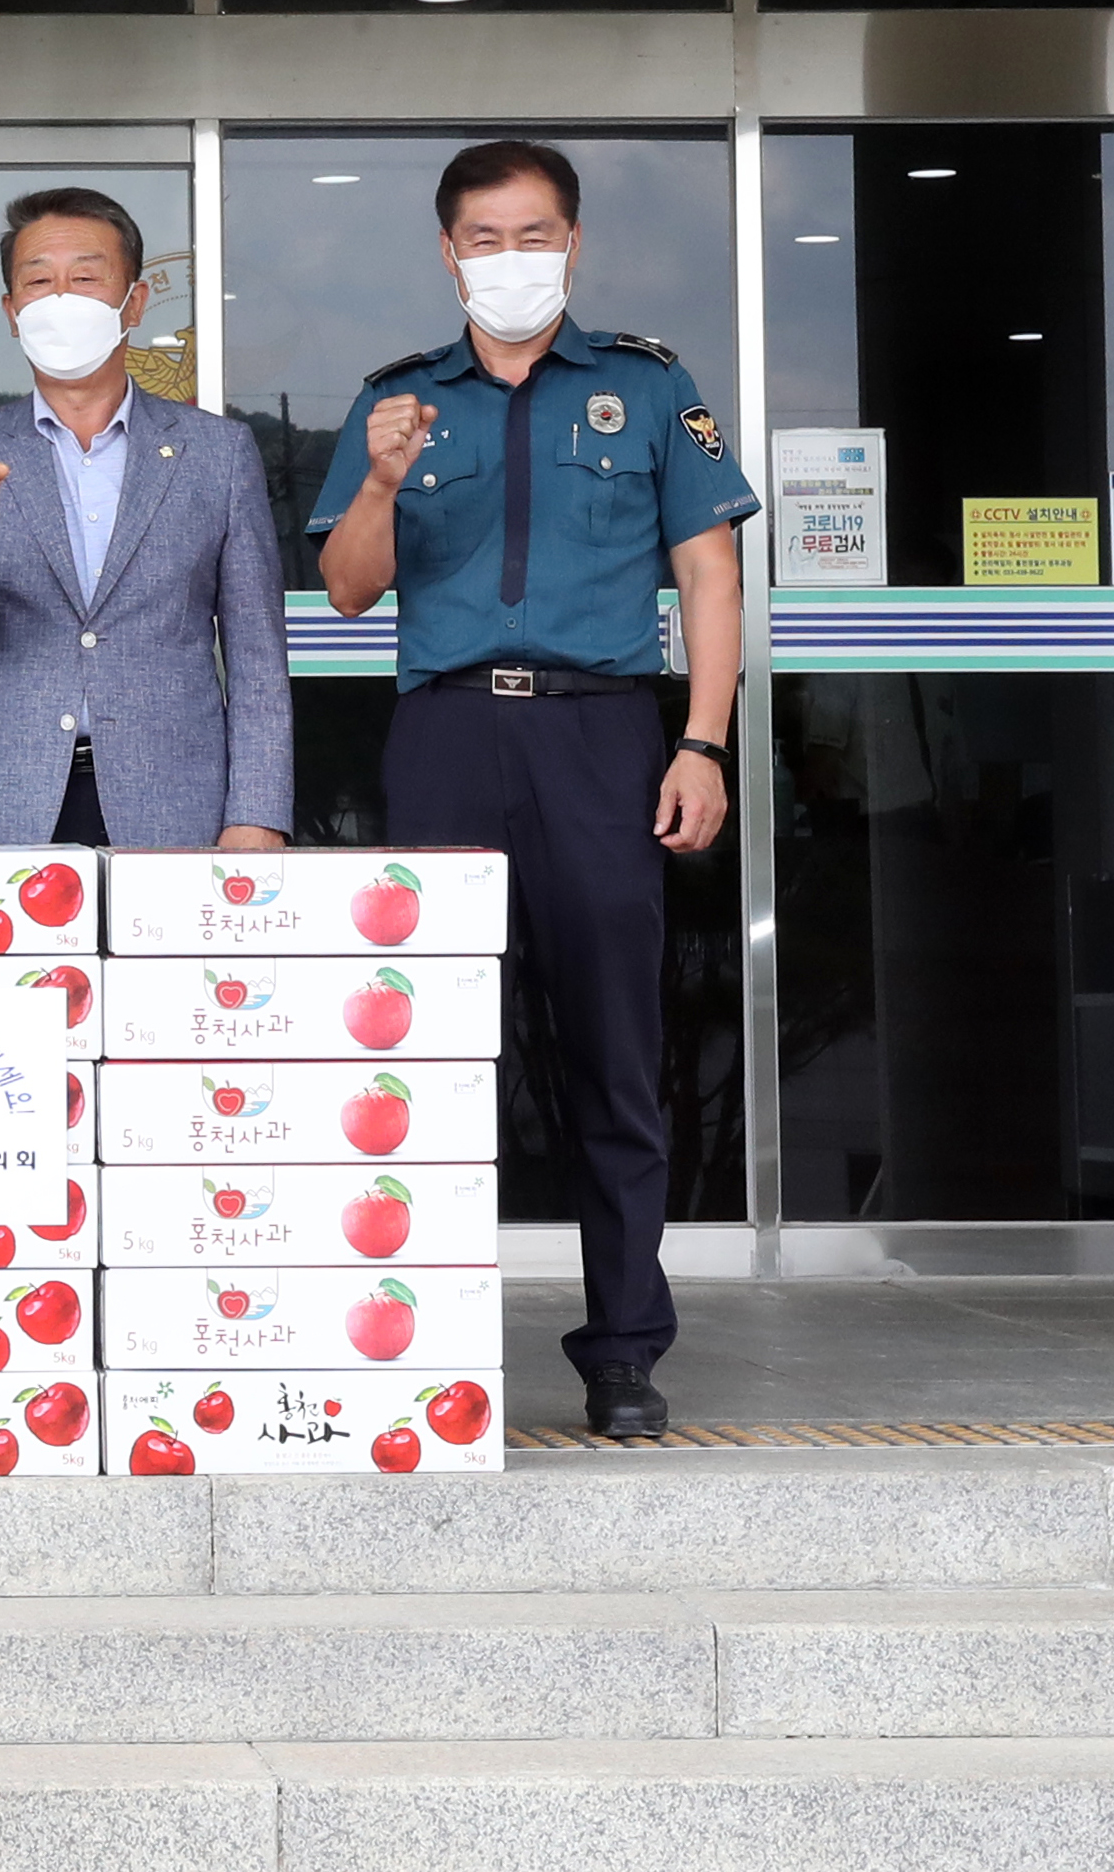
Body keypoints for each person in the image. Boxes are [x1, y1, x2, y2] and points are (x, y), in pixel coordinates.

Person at [311, 138, 757, 1441]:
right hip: (445, 737)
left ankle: (621, 1352)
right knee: (434, 1056)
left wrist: (703, 742)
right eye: (485, 239)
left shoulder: (647, 385)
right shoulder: (395, 399)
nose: (512, 259)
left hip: (601, 737)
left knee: (614, 1052)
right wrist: (384, 477)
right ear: (448, 254)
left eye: (535, 235)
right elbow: (347, 586)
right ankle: (425, 1344)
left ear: (573, 241)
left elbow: (709, 573)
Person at [0, 186, 292, 849]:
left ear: (133, 302)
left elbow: (257, 652)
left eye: (84, 278)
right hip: (4, 804)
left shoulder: (217, 452)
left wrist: (257, 811)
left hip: (174, 804)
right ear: (12, 311)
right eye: (37, 281)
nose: (60, 299)